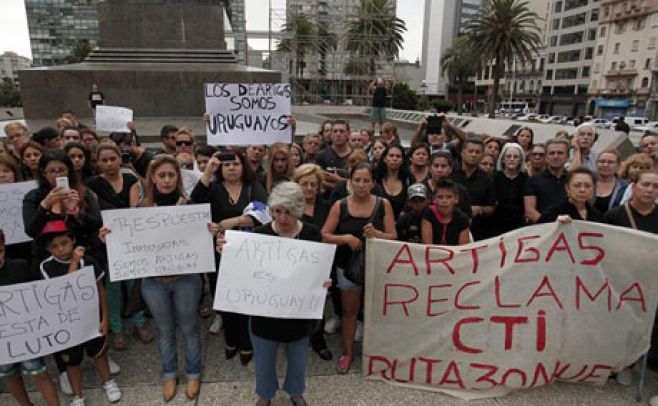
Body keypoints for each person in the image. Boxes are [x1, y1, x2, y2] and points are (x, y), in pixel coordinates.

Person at [218, 182, 332, 406]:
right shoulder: (260, 234)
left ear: (298, 209)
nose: (282, 217)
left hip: (299, 313)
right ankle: (264, 395)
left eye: (288, 211)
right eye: (277, 211)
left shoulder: (311, 234)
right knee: (263, 359)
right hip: (264, 313)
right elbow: (244, 270)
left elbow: (318, 271)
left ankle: (296, 392)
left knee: (298, 359)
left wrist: (324, 282)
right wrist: (226, 252)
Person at [103, 155, 203, 401]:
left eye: (172, 175)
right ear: (153, 179)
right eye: (162, 175)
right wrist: (111, 238)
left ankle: (193, 372)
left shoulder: (190, 206)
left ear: (178, 178)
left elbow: (199, 241)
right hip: (154, 282)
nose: (167, 180)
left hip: (186, 278)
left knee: (189, 327)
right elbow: (129, 241)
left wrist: (208, 230)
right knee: (165, 329)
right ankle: (169, 373)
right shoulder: (140, 210)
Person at [191, 150, 268, 363]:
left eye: (235, 164)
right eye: (226, 165)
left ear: (244, 166)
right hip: (219, 253)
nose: (231, 168)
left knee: (245, 298)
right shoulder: (213, 189)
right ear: (220, 169)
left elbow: (263, 216)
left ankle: (246, 342)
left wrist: (229, 223)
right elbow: (193, 204)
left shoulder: (253, 187)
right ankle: (231, 339)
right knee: (224, 298)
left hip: (248, 255)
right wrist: (207, 172)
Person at [322, 162, 396, 374]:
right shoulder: (340, 205)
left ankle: (377, 353)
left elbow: (393, 235)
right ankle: (348, 352)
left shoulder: (384, 204)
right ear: (350, 182)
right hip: (347, 267)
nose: (361, 185)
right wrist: (345, 238)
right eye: (357, 180)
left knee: (376, 311)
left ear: (373, 183)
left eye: (366, 181)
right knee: (349, 312)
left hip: (377, 266)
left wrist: (378, 234)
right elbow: (324, 235)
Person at [37, 221, 121, 406]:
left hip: (91, 318)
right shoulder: (46, 267)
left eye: (64, 243)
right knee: (72, 362)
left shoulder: (88, 261)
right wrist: (74, 262)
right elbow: (63, 291)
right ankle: (78, 396)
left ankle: (108, 382)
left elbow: (100, 291)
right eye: (54, 246)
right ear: (48, 249)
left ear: (73, 241)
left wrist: (105, 319)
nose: (61, 249)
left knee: (99, 354)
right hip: (66, 324)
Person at [86, 144, 153, 350]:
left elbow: (134, 210)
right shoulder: (93, 185)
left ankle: (139, 322)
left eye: (112, 159)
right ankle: (116, 328)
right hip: (107, 241)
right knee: (112, 287)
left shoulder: (131, 179)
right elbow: (96, 215)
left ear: (119, 159)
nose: (108, 164)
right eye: (103, 160)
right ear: (97, 163)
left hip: (130, 240)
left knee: (134, 283)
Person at [604, 170, 658, 392]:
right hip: (622, 280)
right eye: (646, 185)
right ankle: (620, 364)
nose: (650, 190)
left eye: (655, 187)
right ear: (634, 187)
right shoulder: (615, 215)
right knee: (621, 323)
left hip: (652, 282)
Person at [0, 230, 60, 406]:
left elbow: (37, 296)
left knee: (39, 373)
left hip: (26, 334)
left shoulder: (19, 266)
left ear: (4, 247)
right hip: (3, 340)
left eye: (0, 251)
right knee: (8, 373)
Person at [293, 164, 334, 359]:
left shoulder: (326, 206)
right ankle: (293, 339)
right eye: (304, 184)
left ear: (319, 187)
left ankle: (318, 342)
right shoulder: (288, 207)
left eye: (313, 184)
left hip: (319, 265)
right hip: (293, 264)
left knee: (317, 305)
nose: (309, 188)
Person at [452, 138, 495, 240]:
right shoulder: (450, 173)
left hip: (475, 229)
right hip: (449, 225)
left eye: (477, 152)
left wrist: (480, 209)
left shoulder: (487, 179)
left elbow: (492, 208)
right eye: (471, 151)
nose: (474, 155)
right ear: (462, 153)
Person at [524, 138, 570, 223]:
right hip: (542, 230)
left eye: (560, 153)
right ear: (546, 156)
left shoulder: (573, 180)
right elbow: (530, 211)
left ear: (567, 156)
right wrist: (551, 225)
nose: (556, 156)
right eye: (552, 153)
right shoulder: (533, 180)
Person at [538, 167, 604, 223]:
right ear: (567, 189)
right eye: (577, 185)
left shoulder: (598, 216)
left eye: (587, 186)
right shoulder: (553, 213)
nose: (582, 190)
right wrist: (555, 225)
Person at [421, 179, 470, 245]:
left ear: (456, 199)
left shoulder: (463, 219)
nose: (444, 201)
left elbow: (463, 250)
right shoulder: (428, 213)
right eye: (440, 197)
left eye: (449, 197)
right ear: (434, 199)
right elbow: (427, 246)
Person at [492, 143, 528, 234]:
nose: (512, 159)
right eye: (508, 156)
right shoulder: (494, 178)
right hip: (496, 225)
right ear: (503, 159)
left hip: (519, 226)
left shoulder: (526, 179)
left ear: (520, 161)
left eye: (516, 157)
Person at [425, 151, 472, 218]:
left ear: (450, 169)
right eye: (436, 166)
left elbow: (468, 218)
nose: (439, 170)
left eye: (443, 166)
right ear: (430, 168)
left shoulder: (461, 190)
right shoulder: (421, 188)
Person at [315, 120, 353, 191]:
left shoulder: (355, 155)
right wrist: (338, 186)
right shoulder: (321, 155)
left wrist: (339, 181)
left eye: (341, 131)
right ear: (331, 135)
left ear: (348, 134)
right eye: (335, 131)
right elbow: (319, 179)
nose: (338, 134)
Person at [377, 144, 409, 218]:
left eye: (398, 156)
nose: (395, 159)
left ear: (402, 160)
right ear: (385, 159)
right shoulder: (376, 178)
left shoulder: (408, 180)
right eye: (391, 155)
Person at [594, 148, 628, 213]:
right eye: (602, 161)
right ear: (596, 163)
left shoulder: (625, 187)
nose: (605, 165)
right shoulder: (586, 182)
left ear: (618, 166)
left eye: (610, 162)